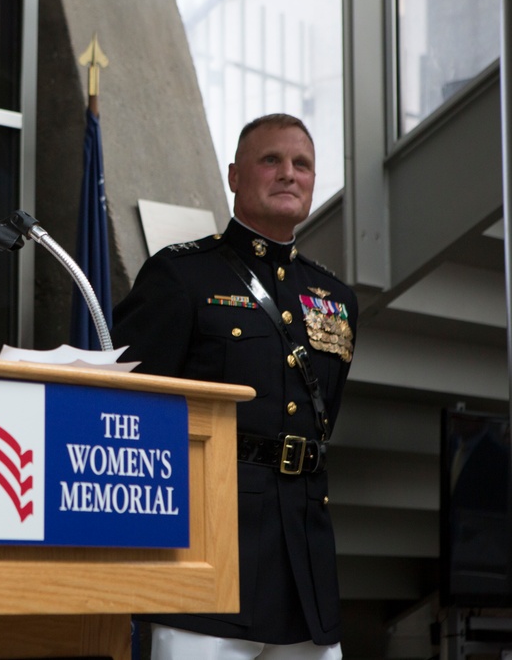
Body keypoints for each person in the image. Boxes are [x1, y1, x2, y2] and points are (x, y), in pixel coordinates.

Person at [112, 114, 357, 659]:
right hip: (209, 553)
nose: (288, 174)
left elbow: (321, 421)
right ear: (234, 176)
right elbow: (127, 408)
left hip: (304, 558)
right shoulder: (182, 276)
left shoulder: (335, 299)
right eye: (271, 160)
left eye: (302, 164)